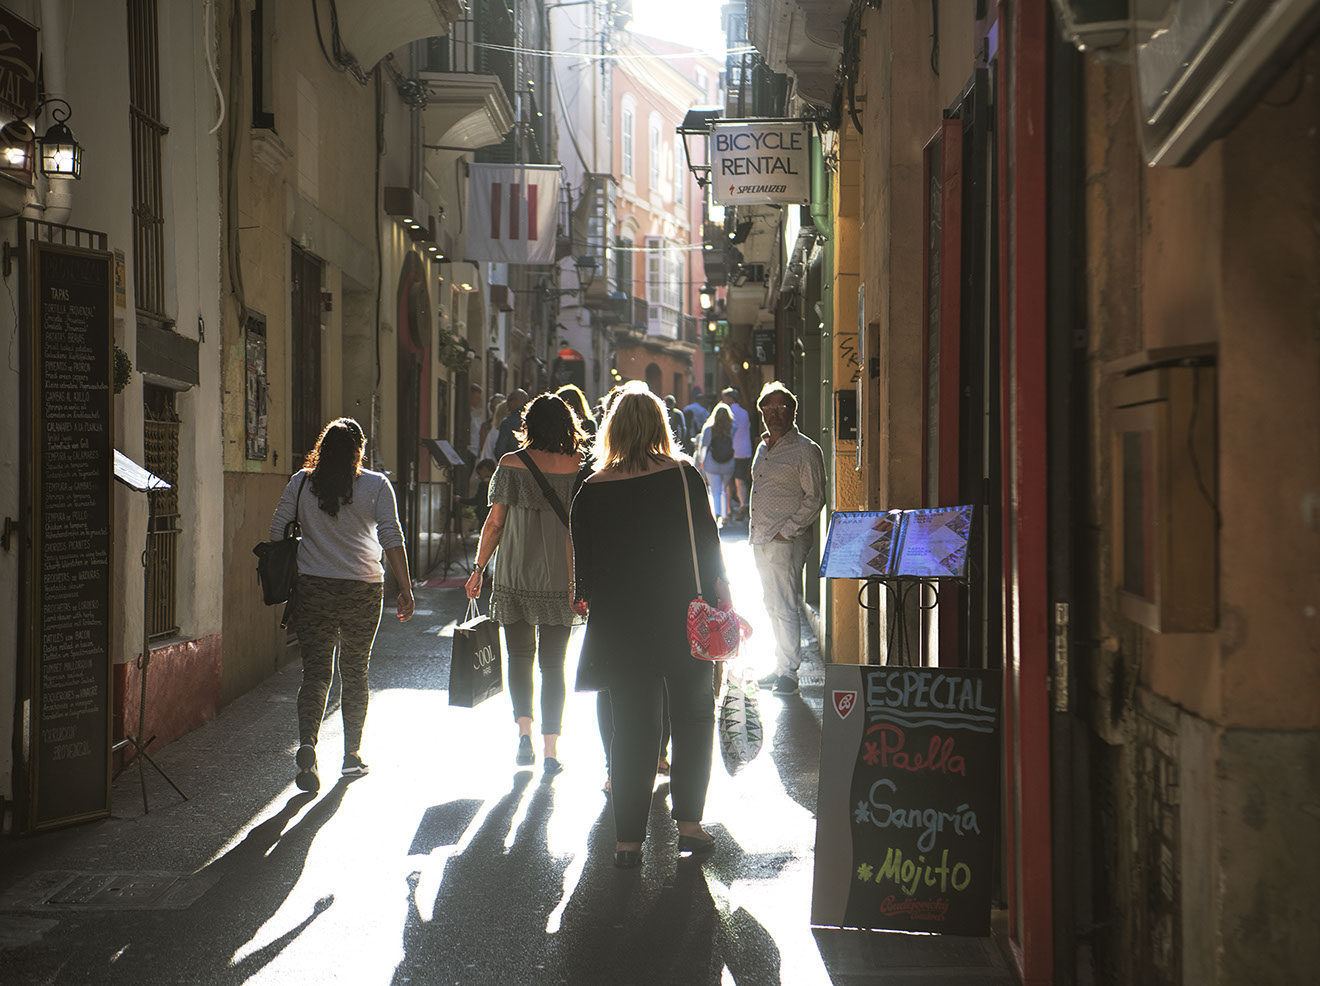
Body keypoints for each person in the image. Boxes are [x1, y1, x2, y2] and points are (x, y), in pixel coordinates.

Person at [570, 382, 728, 868]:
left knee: (633, 729)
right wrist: (722, 597)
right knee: (694, 717)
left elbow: (584, 571)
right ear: (662, 425)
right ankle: (689, 826)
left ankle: (627, 842)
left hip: (621, 625)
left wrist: (591, 597)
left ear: (612, 430)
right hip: (684, 615)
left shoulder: (592, 489)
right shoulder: (683, 476)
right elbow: (708, 545)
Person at [269, 417, 414, 793]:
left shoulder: (302, 482)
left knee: (315, 674)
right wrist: (405, 588)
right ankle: (351, 756)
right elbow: (391, 535)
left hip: (313, 588)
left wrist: (309, 546)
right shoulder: (376, 485)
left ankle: (307, 744)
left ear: (323, 448)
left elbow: (276, 530)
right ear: (359, 450)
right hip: (363, 591)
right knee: (355, 671)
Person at [465, 394, 587, 774]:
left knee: (519, 656)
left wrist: (478, 568)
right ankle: (551, 750)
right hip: (562, 576)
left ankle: (524, 735)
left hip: (515, 572)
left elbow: (494, 524)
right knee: (554, 664)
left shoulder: (510, 464)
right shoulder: (580, 466)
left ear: (528, 424)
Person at [748, 382, 826, 696]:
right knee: (771, 604)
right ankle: (780, 665)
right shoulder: (763, 448)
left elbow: (815, 497)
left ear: (793, 411)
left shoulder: (805, 450)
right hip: (762, 536)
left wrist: (787, 531)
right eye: (768, 408)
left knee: (785, 604)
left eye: (781, 407)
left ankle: (790, 673)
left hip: (785, 539)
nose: (774, 414)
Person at [697, 402, 737, 524]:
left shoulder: (709, 429)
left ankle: (717, 514)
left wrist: (701, 461)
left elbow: (704, 446)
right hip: (728, 462)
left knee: (715, 491)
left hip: (711, 463)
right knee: (724, 489)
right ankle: (725, 516)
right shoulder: (733, 428)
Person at [721, 387, 754, 520]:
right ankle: (742, 505)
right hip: (744, 450)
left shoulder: (727, 412)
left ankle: (727, 510)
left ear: (729, 398)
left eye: (724, 398)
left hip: (730, 451)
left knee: (727, 481)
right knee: (740, 480)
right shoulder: (744, 412)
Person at [493, 388, 530, 458]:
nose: (507, 405)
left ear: (515, 401)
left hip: (513, 462)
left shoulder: (507, 423)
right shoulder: (534, 421)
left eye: (509, 400)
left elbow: (500, 451)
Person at [467, 383, 485, 461]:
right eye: (476, 397)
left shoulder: (476, 413)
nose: (478, 400)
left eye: (479, 398)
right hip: (469, 450)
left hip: (475, 451)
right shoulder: (467, 414)